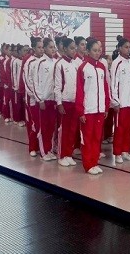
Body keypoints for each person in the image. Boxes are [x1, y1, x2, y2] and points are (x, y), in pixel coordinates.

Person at [76, 38, 110, 175]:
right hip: (88, 110)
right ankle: (88, 164)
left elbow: (105, 88)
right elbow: (79, 91)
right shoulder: (83, 68)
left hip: (100, 109)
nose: (97, 53)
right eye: (94, 51)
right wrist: (80, 111)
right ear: (88, 51)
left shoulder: (102, 67)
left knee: (97, 137)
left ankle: (94, 162)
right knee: (87, 138)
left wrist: (106, 106)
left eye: (99, 50)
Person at [110, 38, 130, 164]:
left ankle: (125, 150)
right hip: (120, 103)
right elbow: (113, 84)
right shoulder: (116, 63)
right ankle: (117, 153)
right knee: (119, 128)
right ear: (120, 48)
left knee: (128, 127)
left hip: (129, 102)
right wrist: (115, 102)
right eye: (126, 47)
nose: (128, 49)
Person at [54, 38, 80, 167]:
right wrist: (59, 103)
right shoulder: (60, 64)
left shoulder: (76, 64)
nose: (74, 50)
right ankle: (61, 155)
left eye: (75, 48)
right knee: (63, 130)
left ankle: (69, 154)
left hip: (75, 102)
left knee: (72, 130)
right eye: (71, 48)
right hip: (65, 102)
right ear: (64, 49)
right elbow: (57, 86)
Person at [36, 38, 58, 161]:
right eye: (50, 47)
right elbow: (36, 82)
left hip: (53, 99)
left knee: (51, 127)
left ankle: (49, 149)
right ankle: (43, 152)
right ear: (44, 48)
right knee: (43, 127)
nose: (53, 49)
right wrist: (40, 99)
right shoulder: (40, 62)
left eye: (54, 47)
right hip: (44, 100)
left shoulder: (55, 62)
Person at [23, 37, 44, 157]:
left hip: (43, 98)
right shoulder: (29, 62)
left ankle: (43, 147)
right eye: (39, 47)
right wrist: (36, 96)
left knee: (42, 124)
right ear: (34, 48)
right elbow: (28, 81)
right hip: (32, 99)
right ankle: (33, 147)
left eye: (42, 47)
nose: (41, 50)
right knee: (34, 123)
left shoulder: (44, 61)